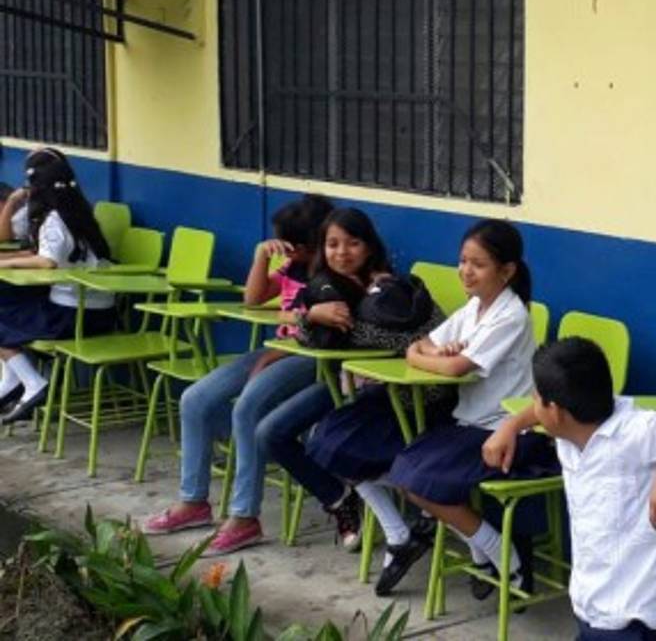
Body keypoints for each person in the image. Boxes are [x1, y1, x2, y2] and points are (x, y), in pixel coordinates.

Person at [349, 218, 556, 597]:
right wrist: (431, 353)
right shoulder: (474, 307)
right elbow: (419, 344)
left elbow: (455, 366)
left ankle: (505, 557)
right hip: (468, 424)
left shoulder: (511, 316)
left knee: (419, 481)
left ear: (506, 271)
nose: (465, 271)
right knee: (406, 470)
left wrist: (431, 356)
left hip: (506, 432)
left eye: (477, 264)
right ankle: (484, 551)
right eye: (463, 261)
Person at [485, 337, 656, 640]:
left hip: (640, 619)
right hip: (593, 608)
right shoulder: (570, 428)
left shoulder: (636, 430)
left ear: (556, 411)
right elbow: (537, 410)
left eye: (536, 398)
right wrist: (510, 426)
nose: (532, 405)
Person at [142, 194, 344, 556]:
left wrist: (274, 355)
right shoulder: (291, 269)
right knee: (195, 399)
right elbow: (253, 299)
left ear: (309, 244)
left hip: (312, 358)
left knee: (247, 407)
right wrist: (262, 257)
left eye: (293, 247)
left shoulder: (335, 277)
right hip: (278, 350)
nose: (289, 253)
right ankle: (194, 502)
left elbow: (325, 333)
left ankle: (244, 517)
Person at [261, 270, 448, 553]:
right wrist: (311, 316)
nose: (342, 253)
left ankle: (410, 517)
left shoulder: (389, 294)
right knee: (273, 433)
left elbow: (404, 337)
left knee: (335, 443)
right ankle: (340, 499)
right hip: (348, 385)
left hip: (405, 397)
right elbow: (307, 336)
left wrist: (310, 318)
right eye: (332, 244)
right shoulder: (329, 288)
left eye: (352, 243)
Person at [0, 148, 117, 424]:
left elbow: (47, 262)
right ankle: (14, 381)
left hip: (73, 316)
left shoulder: (54, 219)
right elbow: (41, 254)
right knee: (10, 307)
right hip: (98, 312)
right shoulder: (78, 211)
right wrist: (11, 258)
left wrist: (5, 265)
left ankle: (32, 383)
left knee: (4, 318)